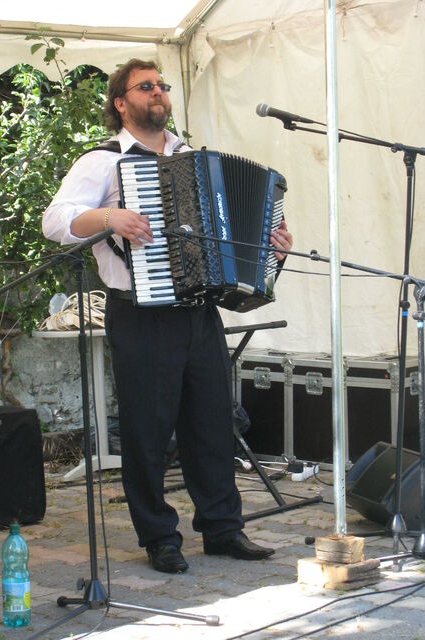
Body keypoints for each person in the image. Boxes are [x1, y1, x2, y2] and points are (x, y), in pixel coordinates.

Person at [42, 58, 293, 574]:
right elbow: (55, 221)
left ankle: (223, 529)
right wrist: (110, 216)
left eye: (161, 85)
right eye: (145, 86)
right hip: (140, 313)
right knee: (147, 432)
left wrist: (269, 247)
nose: (158, 91)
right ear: (121, 103)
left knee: (212, 424)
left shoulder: (193, 159)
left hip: (199, 311)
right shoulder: (105, 161)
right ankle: (159, 537)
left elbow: (227, 235)